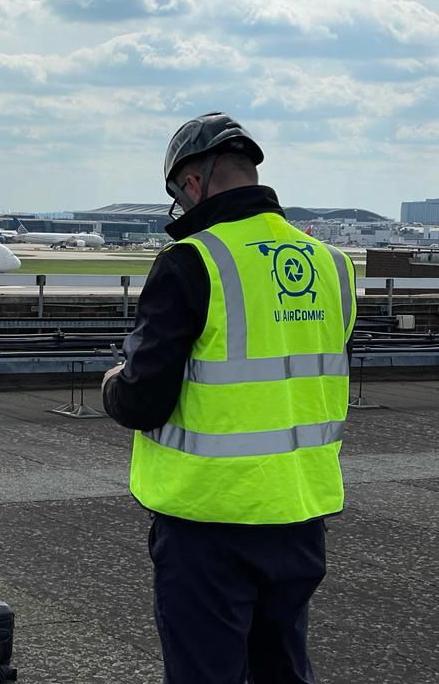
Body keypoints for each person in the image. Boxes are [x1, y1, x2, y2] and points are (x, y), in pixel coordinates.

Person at [101, 113, 356, 684]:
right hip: (298, 510)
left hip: (208, 519)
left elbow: (143, 401)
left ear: (193, 181)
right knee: (283, 668)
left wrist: (113, 383)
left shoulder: (192, 260)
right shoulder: (332, 266)